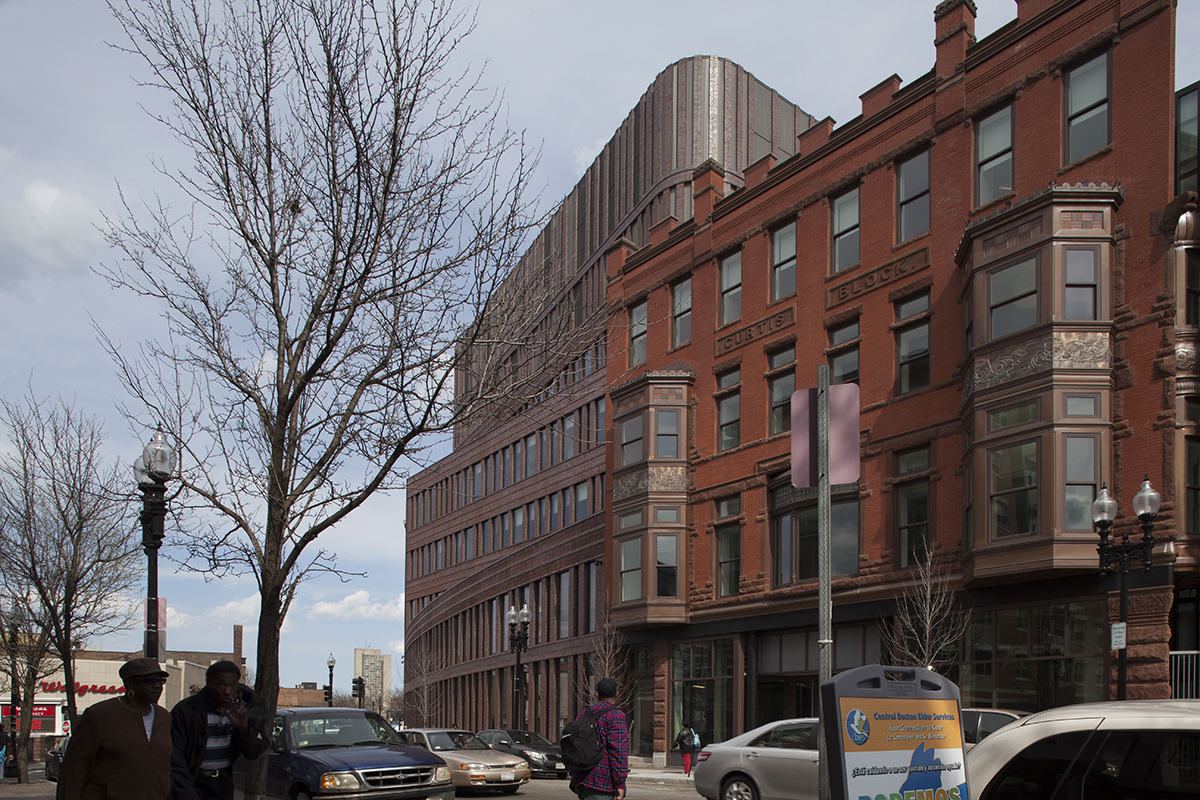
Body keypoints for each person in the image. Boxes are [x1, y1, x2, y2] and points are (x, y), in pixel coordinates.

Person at [55, 656, 173, 800]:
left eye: (161, 681)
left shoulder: (164, 717)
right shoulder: (100, 715)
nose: (157, 686)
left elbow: (167, 769)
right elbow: (74, 770)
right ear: (130, 683)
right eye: (149, 681)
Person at [171, 660, 270, 800]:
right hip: (194, 782)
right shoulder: (187, 711)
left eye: (232, 685)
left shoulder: (244, 711)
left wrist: (243, 731)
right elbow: (176, 760)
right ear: (209, 683)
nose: (227, 691)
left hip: (223, 783)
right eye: (221, 685)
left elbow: (253, 752)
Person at [569, 677, 629, 800]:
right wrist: (620, 784)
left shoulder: (585, 713)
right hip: (602, 782)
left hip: (580, 777)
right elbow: (618, 752)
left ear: (597, 694)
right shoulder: (616, 716)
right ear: (617, 694)